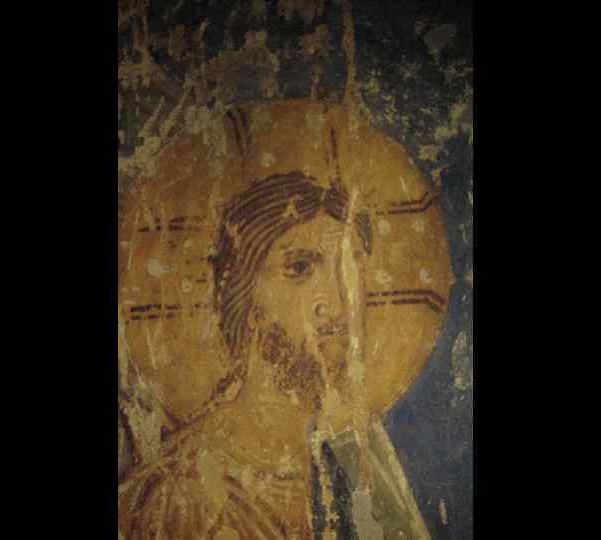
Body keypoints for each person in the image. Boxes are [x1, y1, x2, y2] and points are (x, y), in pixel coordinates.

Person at [118, 171, 430, 539]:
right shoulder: (179, 492)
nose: (337, 301)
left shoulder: (362, 456)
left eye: (351, 263)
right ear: (245, 299)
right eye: (300, 268)